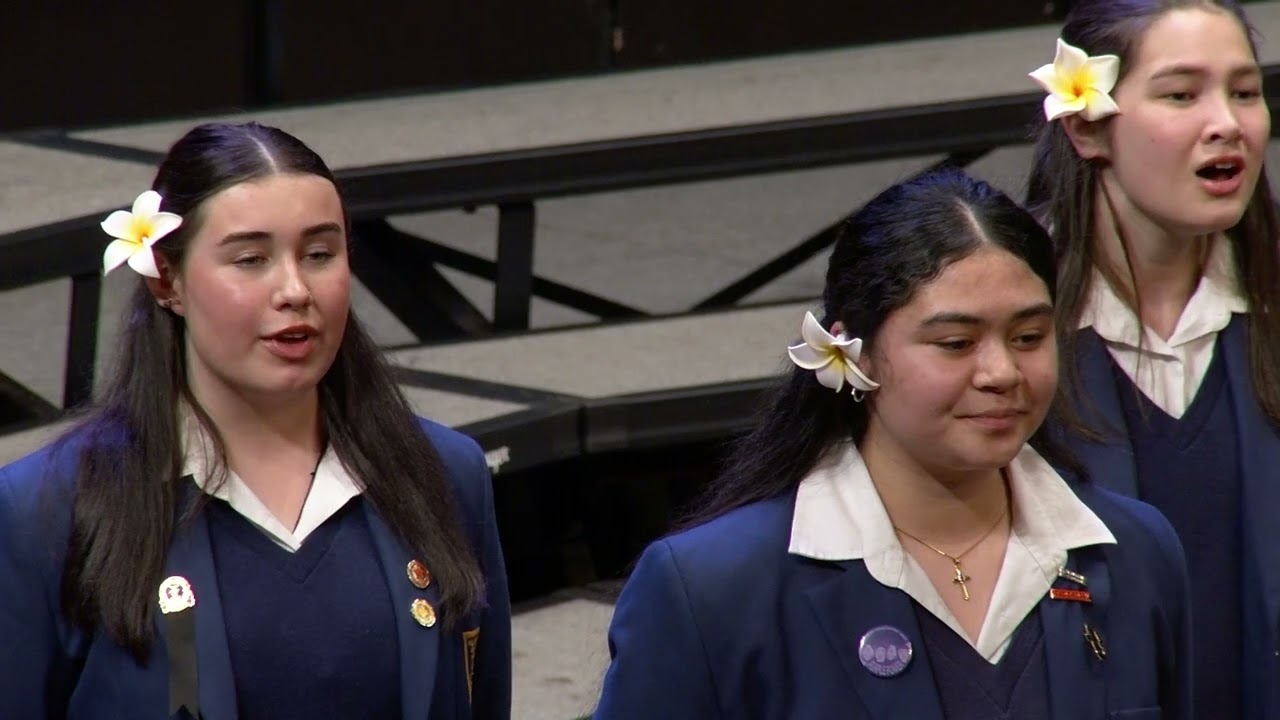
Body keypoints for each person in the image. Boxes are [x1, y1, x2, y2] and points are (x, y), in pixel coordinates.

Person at [592, 169, 1192, 719]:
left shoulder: (1135, 552)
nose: (1002, 372)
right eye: (956, 344)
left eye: (1029, 337)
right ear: (855, 354)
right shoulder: (713, 587)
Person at [0, 121, 511, 719]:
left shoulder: (445, 473)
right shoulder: (45, 510)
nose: (295, 290)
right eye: (251, 259)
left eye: (319, 255)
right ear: (165, 279)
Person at [1025, 1, 1280, 716]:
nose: (1227, 123)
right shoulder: (1009, 331)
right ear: (1085, 127)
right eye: (1181, 94)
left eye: (1245, 91)